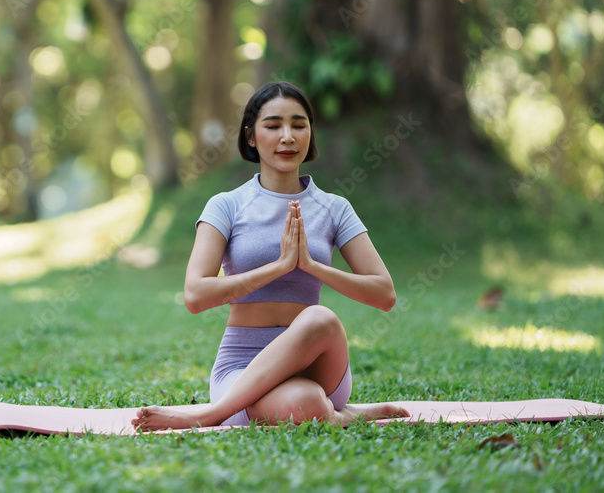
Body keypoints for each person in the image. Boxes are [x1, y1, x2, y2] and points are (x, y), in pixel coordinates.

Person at [132, 81, 410, 431]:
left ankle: (205, 416)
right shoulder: (226, 206)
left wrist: (311, 267)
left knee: (320, 319)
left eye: (298, 124)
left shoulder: (334, 209)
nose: (288, 137)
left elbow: (384, 294)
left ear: (310, 132)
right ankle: (343, 414)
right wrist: (278, 267)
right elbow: (195, 296)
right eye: (273, 125)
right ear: (251, 136)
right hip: (242, 369)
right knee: (307, 404)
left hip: (319, 368)